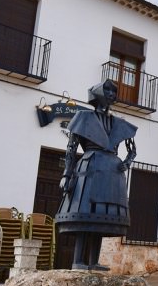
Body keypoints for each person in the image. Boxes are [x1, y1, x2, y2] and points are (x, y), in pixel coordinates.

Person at [56, 80, 137, 270]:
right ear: (97, 93)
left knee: (102, 213)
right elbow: (71, 148)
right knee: (85, 212)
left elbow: (132, 150)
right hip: (90, 166)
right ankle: (78, 261)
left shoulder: (119, 123)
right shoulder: (83, 117)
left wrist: (126, 162)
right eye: (107, 89)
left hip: (112, 171)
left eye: (113, 91)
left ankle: (93, 261)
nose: (111, 93)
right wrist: (66, 175)